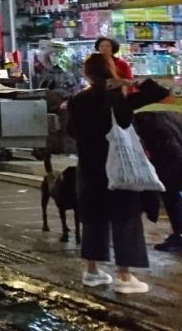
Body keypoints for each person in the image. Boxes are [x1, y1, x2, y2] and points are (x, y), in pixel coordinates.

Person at [67, 53, 168, 294]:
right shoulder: (117, 98)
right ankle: (125, 276)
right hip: (120, 167)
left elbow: (71, 130)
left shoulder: (77, 100)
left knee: (93, 218)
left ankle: (92, 272)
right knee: (126, 218)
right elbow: (160, 92)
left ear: (87, 74)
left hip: (90, 169)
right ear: (111, 70)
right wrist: (130, 82)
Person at [134, 109, 182, 253]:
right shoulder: (144, 126)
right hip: (176, 154)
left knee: (170, 192)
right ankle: (181, 236)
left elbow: (179, 158)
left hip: (178, 156)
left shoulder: (156, 128)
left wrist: (158, 183)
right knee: (170, 195)